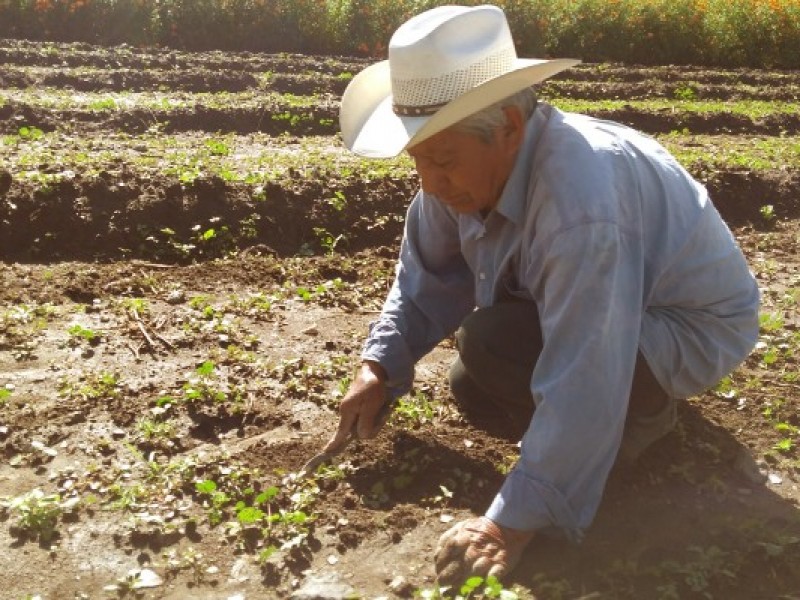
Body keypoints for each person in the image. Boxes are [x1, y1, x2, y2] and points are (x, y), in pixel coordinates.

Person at [324, 3, 760, 587]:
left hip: (684, 323)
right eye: (418, 161)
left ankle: (645, 416)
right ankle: (592, 440)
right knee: (470, 382)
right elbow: (426, 276)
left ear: (508, 126)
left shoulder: (581, 207)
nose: (430, 183)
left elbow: (586, 367)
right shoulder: (461, 174)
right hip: (607, 307)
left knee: (494, 345)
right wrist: (380, 365)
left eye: (444, 160)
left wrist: (510, 524)